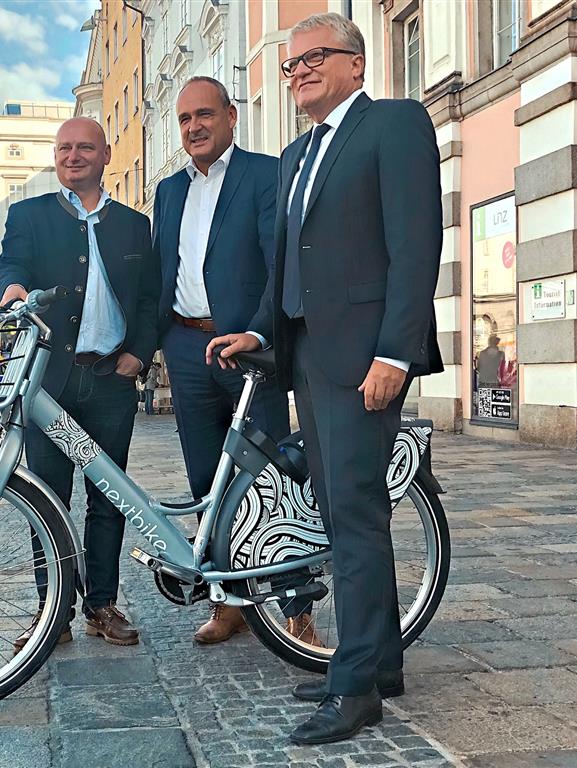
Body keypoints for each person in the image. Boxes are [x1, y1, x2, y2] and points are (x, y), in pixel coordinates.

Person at [206, 13, 443, 745]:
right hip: (305, 357)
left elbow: (415, 240)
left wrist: (395, 354)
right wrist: (259, 329)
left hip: (362, 358)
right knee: (342, 515)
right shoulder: (296, 153)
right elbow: (288, 264)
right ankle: (377, 660)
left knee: (355, 520)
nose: (301, 69)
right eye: (291, 62)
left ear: (356, 65)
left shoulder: (393, 124)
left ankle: (355, 691)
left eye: (317, 57)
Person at [0, 116, 159, 651]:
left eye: (85, 147)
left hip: (111, 379)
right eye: (65, 148)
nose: (73, 156)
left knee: (109, 498)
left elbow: (151, 297)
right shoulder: (29, 215)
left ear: (105, 155)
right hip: (52, 385)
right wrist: (12, 288)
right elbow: (8, 265)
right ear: (56, 156)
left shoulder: (134, 224)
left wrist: (139, 353)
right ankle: (53, 613)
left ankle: (101, 605)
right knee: (49, 499)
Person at [153, 76, 292, 645]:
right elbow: (163, 267)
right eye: (184, 119)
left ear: (231, 117)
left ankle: (295, 604)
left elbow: (279, 266)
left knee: (271, 479)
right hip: (186, 347)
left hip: (244, 348)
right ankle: (228, 602)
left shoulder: (264, 173)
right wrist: (161, 339)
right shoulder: (168, 190)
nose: (194, 127)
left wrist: (258, 334)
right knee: (206, 479)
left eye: (204, 115)